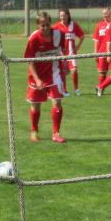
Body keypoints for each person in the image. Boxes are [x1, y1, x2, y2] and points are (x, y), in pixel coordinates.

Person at [24, 11, 66, 143]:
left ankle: (56, 133)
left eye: (48, 24)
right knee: (36, 105)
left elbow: (62, 50)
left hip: (54, 73)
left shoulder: (59, 34)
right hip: (37, 75)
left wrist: (65, 62)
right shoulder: (34, 39)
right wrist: (37, 80)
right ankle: (34, 130)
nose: (46, 27)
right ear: (38, 25)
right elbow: (30, 61)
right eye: (42, 25)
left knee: (57, 101)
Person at [52, 8, 85, 96]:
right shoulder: (56, 27)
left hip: (72, 53)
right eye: (61, 16)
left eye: (64, 15)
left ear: (68, 15)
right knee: (63, 72)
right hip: (61, 54)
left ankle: (76, 89)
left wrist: (78, 46)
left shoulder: (73, 25)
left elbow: (82, 36)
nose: (62, 17)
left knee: (74, 70)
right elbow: (52, 39)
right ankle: (64, 90)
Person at [92, 7, 111, 94]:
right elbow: (96, 40)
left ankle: (100, 87)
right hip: (101, 52)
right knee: (102, 73)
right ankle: (101, 90)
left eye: (106, 13)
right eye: (103, 13)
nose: (104, 15)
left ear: (110, 13)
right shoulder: (99, 25)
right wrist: (95, 53)